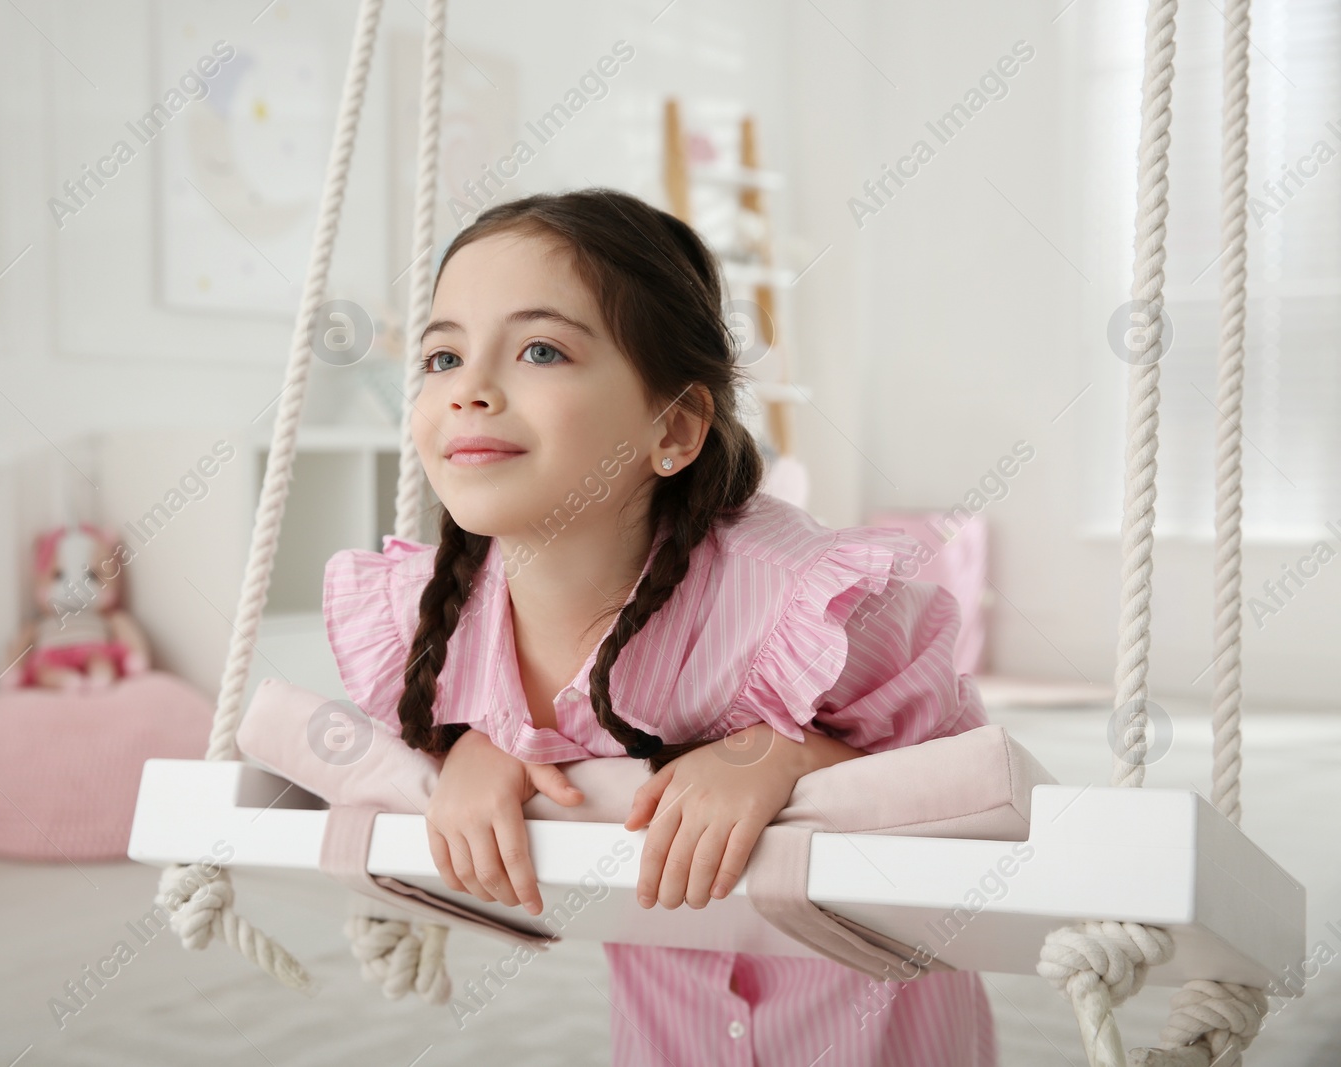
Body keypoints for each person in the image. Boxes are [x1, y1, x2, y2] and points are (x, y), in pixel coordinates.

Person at [321, 187, 995, 1066]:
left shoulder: (796, 597)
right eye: (442, 357)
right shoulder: (429, 617)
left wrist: (781, 756)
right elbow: (396, 759)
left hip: (870, 1010)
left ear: (672, 427)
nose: (471, 391)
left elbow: (965, 786)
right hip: (671, 1024)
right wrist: (479, 746)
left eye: (539, 349)